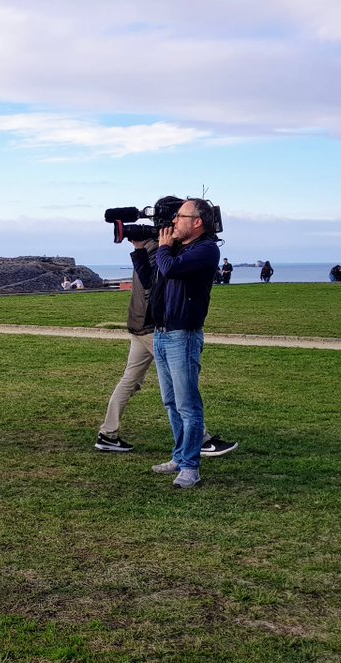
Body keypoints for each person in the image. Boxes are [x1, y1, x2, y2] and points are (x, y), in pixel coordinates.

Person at [95, 212, 238, 459]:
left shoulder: (158, 247)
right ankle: (201, 440)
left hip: (138, 323)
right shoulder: (162, 248)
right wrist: (160, 248)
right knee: (180, 385)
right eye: (176, 218)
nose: (175, 224)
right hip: (155, 325)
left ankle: (108, 434)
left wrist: (142, 248)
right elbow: (159, 280)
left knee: (132, 380)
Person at [137, 198, 220, 489]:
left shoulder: (206, 250)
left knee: (188, 405)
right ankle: (179, 456)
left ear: (197, 222)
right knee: (171, 402)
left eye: (180, 217)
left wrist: (163, 248)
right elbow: (153, 280)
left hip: (183, 335)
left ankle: (190, 467)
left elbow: (170, 269)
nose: (173, 222)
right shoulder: (177, 249)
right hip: (161, 333)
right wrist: (140, 250)